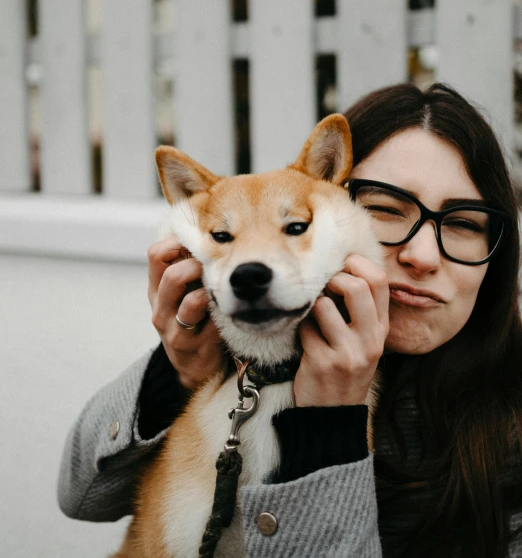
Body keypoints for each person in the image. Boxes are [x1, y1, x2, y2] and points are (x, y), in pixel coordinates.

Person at [57, 83, 522, 558]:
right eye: (384, 209)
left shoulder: (510, 432)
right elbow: (82, 497)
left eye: (465, 222)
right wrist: (174, 373)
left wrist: (328, 429)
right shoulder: (248, 353)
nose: (422, 255)